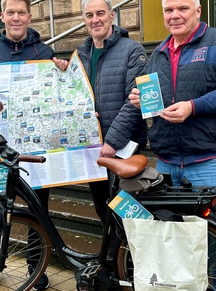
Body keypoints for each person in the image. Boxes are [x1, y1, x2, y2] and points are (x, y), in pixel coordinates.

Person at [105, 0, 216, 291]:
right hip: (168, 162)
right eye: (169, 10)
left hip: (209, 159)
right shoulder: (156, 54)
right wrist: (138, 101)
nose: (175, 15)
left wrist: (193, 107)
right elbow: (149, 103)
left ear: (198, 9)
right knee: (175, 238)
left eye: (182, 7)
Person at [0, 0, 54, 291]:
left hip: (36, 146)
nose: (16, 18)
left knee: (38, 205)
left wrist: (63, 68)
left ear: (29, 17)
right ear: (2, 16)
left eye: (22, 13)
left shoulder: (44, 51)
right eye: (11, 13)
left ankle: (36, 263)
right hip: (1, 147)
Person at [54, 0, 148, 235]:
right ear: (84, 20)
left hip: (121, 149)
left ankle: (131, 265)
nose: (95, 19)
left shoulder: (132, 50)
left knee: (127, 211)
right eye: (89, 15)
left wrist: (112, 142)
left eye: (100, 13)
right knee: (103, 210)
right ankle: (112, 264)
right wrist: (62, 71)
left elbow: (136, 102)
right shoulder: (80, 55)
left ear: (111, 16)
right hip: (92, 148)